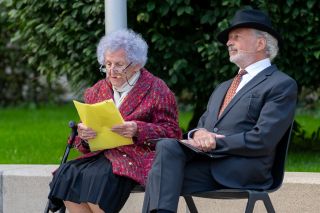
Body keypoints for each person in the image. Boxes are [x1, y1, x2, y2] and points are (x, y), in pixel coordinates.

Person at [142, 8, 298, 213]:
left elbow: (264, 139)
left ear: (260, 43)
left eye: (236, 37)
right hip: (209, 165)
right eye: (229, 38)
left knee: (160, 177)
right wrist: (198, 134)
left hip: (244, 169)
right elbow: (201, 126)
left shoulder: (281, 84)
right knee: (167, 150)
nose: (228, 42)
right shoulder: (223, 87)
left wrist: (216, 142)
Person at [47, 29, 182, 213]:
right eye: (107, 64)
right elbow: (81, 142)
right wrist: (85, 135)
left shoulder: (157, 89)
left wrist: (138, 130)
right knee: (67, 174)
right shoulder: (97, 90)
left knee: (98, 179)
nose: (111, 71)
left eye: (119, 65)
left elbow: (172, 132)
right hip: (101, 155)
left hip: (135, 157)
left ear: (136, 65)